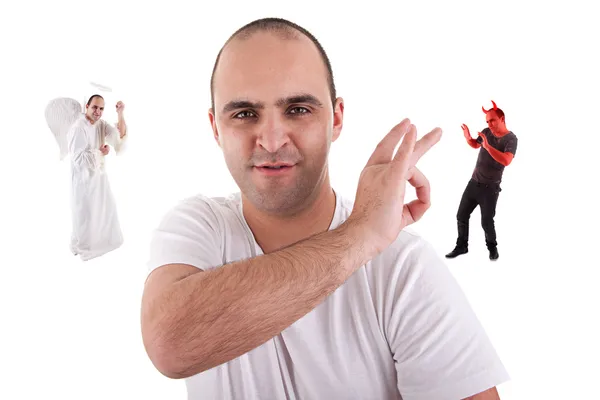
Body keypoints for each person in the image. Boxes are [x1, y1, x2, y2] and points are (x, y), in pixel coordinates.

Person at [141, 18, 508, 399]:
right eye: (244, 114)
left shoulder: (403, 267)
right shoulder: (198, 228)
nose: (270, 140)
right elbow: (170, 345)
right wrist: (361, 236)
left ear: (336, 118)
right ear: (216, 128)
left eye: (298, 109)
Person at [445, 101, 518, 261]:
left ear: (502, 118)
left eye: (492, 120)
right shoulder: (486, 132)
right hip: (473, 183)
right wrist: (468, 138)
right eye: (487, 121)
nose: (489, 124)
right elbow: (475, 145)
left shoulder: (511, 139)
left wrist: (488, 146)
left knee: (486, 222)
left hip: (490, 189)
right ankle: (462, 246)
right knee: (461, 215)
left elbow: (506, 160)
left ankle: (492, 248)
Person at [67, 94, 128, 261]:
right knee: (86, 213)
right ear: (87, 106)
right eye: (95, 107)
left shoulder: (100, 124)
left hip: (99, 178)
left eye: (101, 108)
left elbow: (118, 137)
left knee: (104, 209)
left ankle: (100, 241)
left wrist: (120, 113)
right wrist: (99, 153)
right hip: (83, 180)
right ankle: (85, 245)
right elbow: (77, 158)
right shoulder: (78, 128)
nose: (98, 112)